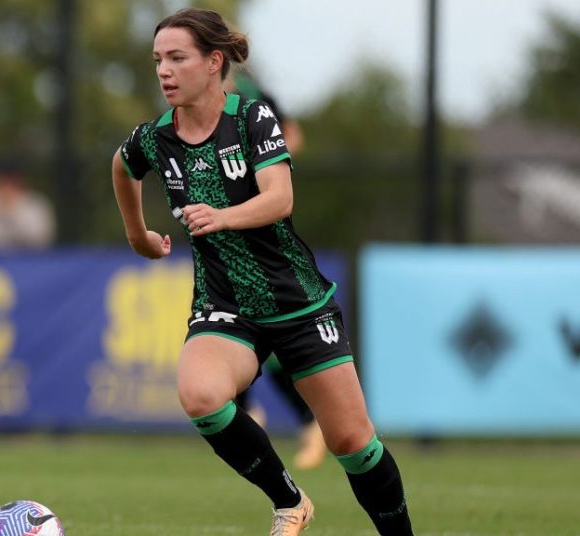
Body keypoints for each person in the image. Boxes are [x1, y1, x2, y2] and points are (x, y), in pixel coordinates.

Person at [110, 8, 413, 536]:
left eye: (177, 58)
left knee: (352, 442)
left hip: (297, 301)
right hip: (225, 304)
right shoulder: (154, 138)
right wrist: (138, 235)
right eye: (158, 60)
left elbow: (279, 198)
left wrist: (222, 216)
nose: (164, 71)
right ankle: (290, 501)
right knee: (200, 396)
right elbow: (121, 165)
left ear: (214, 62)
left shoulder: (252, 118)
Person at [226, 70, 327, 471]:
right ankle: (253, 414)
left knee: (271, 345)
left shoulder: (255, 99)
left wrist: (269, 163)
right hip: (223, 248)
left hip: (262, 244)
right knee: (225, 332)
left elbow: (292, 136)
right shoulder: (186, 109)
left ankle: (308, 422)